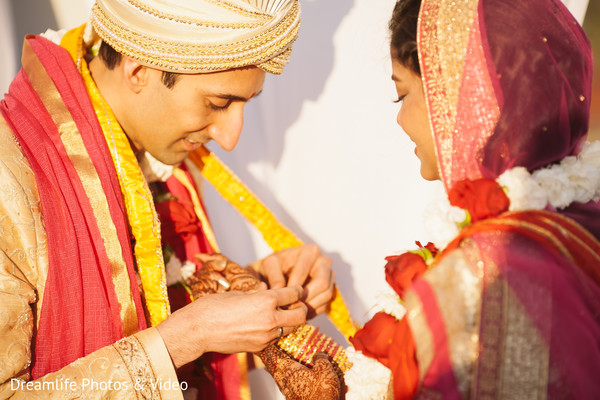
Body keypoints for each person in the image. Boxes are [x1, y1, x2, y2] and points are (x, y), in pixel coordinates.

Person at [0, 0, 339, 398]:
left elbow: (142, 308)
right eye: (218, 103)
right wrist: (185, 338)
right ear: (139, 70)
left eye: (246, 103)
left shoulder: (144, 149)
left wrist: (251, 287)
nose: (230, 139)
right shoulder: (11, 178)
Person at [347, 0, 600, 398]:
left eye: (403, 94)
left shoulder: (486, 272)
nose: (399, 118)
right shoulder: (581, 216)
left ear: (459, 97)